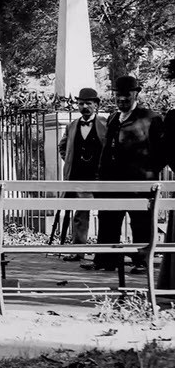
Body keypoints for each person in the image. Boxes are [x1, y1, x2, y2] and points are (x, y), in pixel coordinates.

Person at [96, 75, 166, 272]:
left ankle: (142, 262)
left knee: (141, 223)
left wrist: (148, 172)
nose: (122, 100)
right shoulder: (112, 118)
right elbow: (106, 151)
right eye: (118, 96)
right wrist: (101, 179)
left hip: (140, 184)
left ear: (136, 94)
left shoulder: (151, 118)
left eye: (127, 95)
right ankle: (106, 261)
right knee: (109, 221)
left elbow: (162, 151)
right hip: (112, 184)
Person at [59, 88, 107, 263]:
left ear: (96, 105)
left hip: (100, 176)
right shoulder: (72, 126)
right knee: (80, 214)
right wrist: (71, 160)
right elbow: (62, 147)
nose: (84, 107)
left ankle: (105, 252)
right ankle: (78, 250)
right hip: (78, 176)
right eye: (81, 104)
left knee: (107, 213)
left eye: (88, 103)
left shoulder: (105, 124)